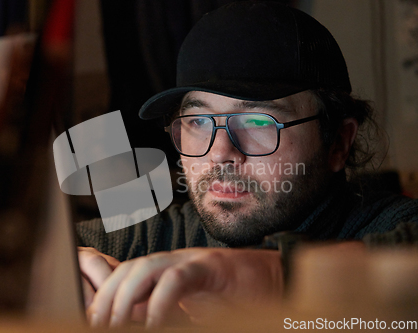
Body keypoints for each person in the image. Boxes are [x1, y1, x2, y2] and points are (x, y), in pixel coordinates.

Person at [75, 1, 418, 328]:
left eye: (258, 123)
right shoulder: (166, 237)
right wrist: (62, 265)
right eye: (198, 121)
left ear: (339, 143)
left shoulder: (389, 226)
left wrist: (273, 274)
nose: (221, 153)